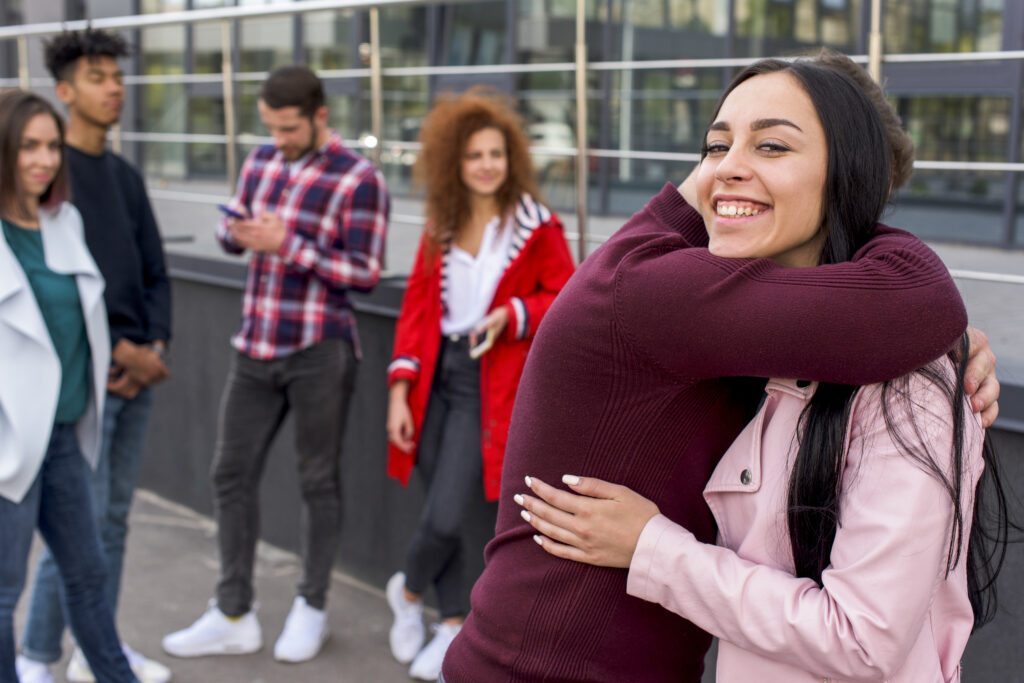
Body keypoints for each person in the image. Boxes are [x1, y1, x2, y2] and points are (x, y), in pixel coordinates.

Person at [441, 53, 1001, 682]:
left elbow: (912, 308)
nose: (730, 167)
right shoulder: (662, 288)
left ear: (851, 174)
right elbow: (922, 301)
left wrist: (947, 342)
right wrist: (946, 334)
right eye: (714, 145)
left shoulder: (772, 321)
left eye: (772, 145)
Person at [161, 65, 389, 664]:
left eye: (288, 129)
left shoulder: (359, 179)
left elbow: (365, 272)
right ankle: (233, 612)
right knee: (228, 474)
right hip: (255, 343)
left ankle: (311, 607)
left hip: (320, 349)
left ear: (320, 116)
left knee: (318, 482)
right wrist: (238, 232)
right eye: (271, 127)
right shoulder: (261, 159)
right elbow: (226, 228)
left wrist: (289, 244)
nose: (278, 139)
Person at [383, 89, 575, 681]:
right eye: (474, 156)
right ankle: (445, 622)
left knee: (451, 516)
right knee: (442, 504)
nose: (487, 164)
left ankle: (408, 593)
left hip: (484, 382)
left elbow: (566, 297)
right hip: (430, 376)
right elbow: (417, 305)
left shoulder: (537, 226)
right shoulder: (441, 223)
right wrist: (398, 392)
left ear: (511, 157)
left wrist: (513, 313)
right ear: (454, 163)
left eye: (496, 153)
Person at [16, 29, 172, 683]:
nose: (114, 88)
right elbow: (57, 292)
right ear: (63, 91)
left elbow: (155, 272)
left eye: (118, 76)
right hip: (89, 380)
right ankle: (35, 654)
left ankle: (92, 648)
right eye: (98, 76)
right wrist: (117, 356)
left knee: (111, 520)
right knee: (74, 531)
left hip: (136, 375)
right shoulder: (48, 181)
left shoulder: (125, 176)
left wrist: (153, 347)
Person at [0, 90, 138, 683]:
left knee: (87, 574)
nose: (45, 159)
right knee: (3, 595)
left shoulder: (64, 220)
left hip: (62, 431)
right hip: (7, 438)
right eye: (28, 145)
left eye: (52, 145)